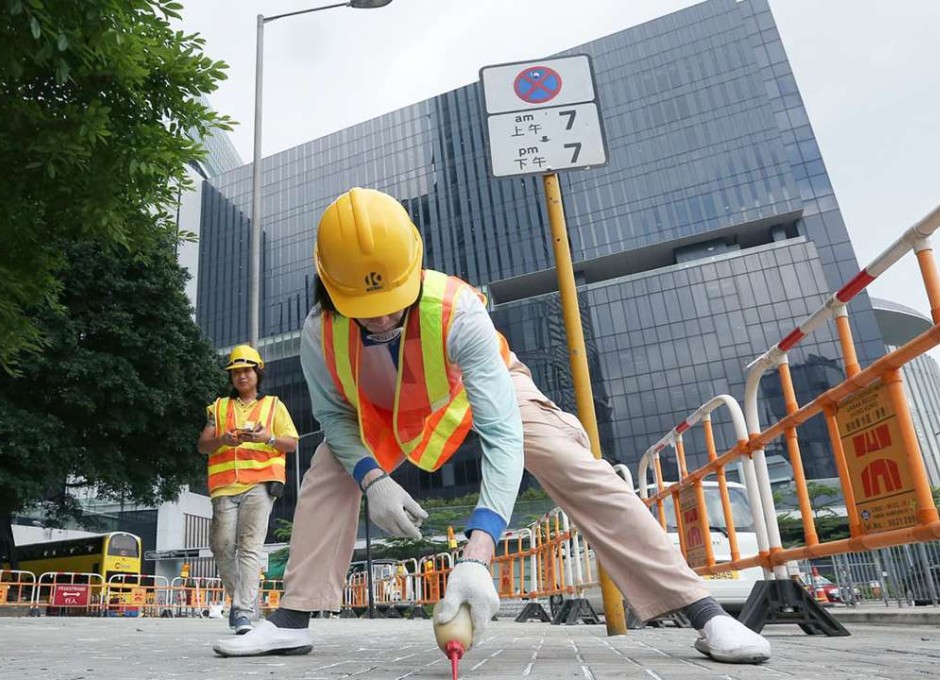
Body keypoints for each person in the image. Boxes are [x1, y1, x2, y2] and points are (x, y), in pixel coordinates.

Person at [213, 188, 771, 663]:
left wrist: (476, 556)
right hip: (385, 413)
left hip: (484, 390)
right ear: (332, 287)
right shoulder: (319, 330)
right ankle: (290, 619)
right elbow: (334, 414)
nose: (381, 317)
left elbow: (503, 435)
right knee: (328, 469)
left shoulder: (459, 310)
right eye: (366, 304)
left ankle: (704, 611)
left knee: (569, 459)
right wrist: (372, 479)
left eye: (391, 301)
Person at [198, 345, 299, 634]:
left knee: (250, 546)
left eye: (247, 370)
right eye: (236, 372)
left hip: (259, 485)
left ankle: (242, 611)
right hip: (223, 486)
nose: (242, 376)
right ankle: (244, 602)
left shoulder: (274, 406)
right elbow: (202, 445)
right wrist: (222, 440)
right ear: (231, 377)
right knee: (221, 546)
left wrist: (269, 438)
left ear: (258, 372)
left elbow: (291, 443)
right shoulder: (218, 408)